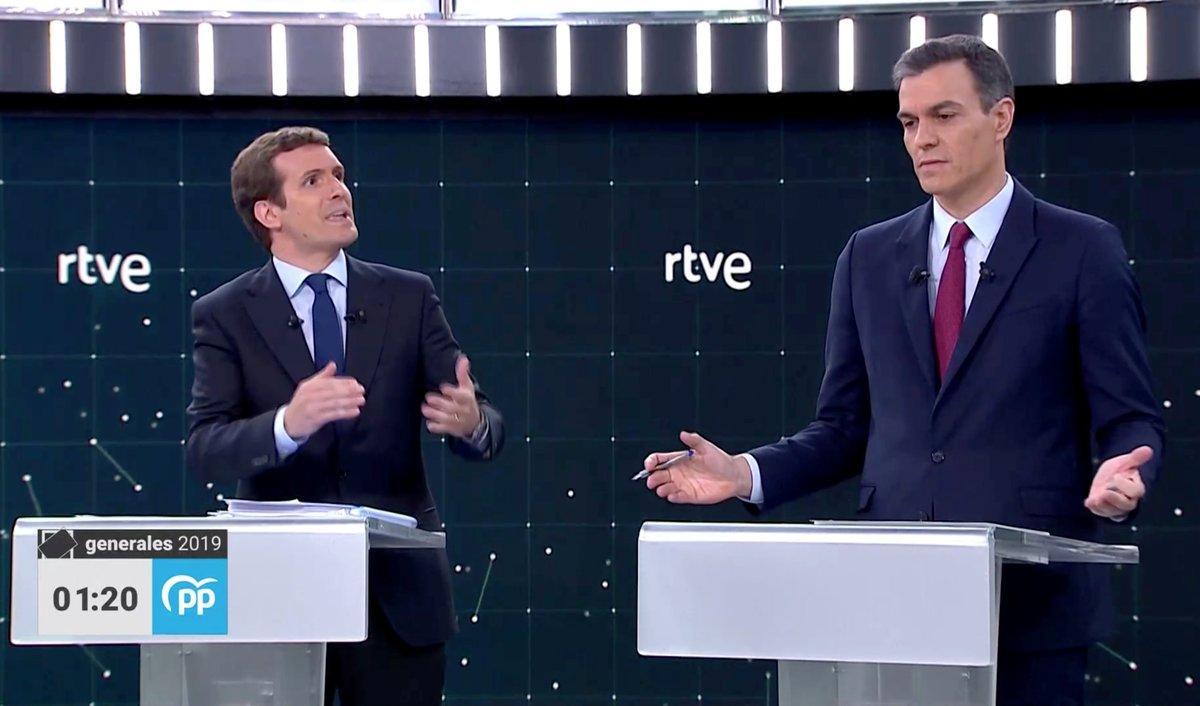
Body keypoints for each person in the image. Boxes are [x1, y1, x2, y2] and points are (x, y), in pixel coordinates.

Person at [640, 35, 1163, 706]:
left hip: (1033, 611)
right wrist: (745, 473)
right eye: (910, 122)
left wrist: (1128, 473)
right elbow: (845, 427)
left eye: (944, 116)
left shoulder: (1082, 249)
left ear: (1000, 118)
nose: (922, 139)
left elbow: (1131, 416)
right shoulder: (868, 257)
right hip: (890, 605)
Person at [186, 126, 504, 706]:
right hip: (280, 598)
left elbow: (481, 419)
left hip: (397, 602)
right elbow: (206, 447)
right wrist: (288, 424)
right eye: (314, 180)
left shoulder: (407, 297)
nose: (339, 191)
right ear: (269, 212)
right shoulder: (226, 314)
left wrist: (471, 422)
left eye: (339, 176)